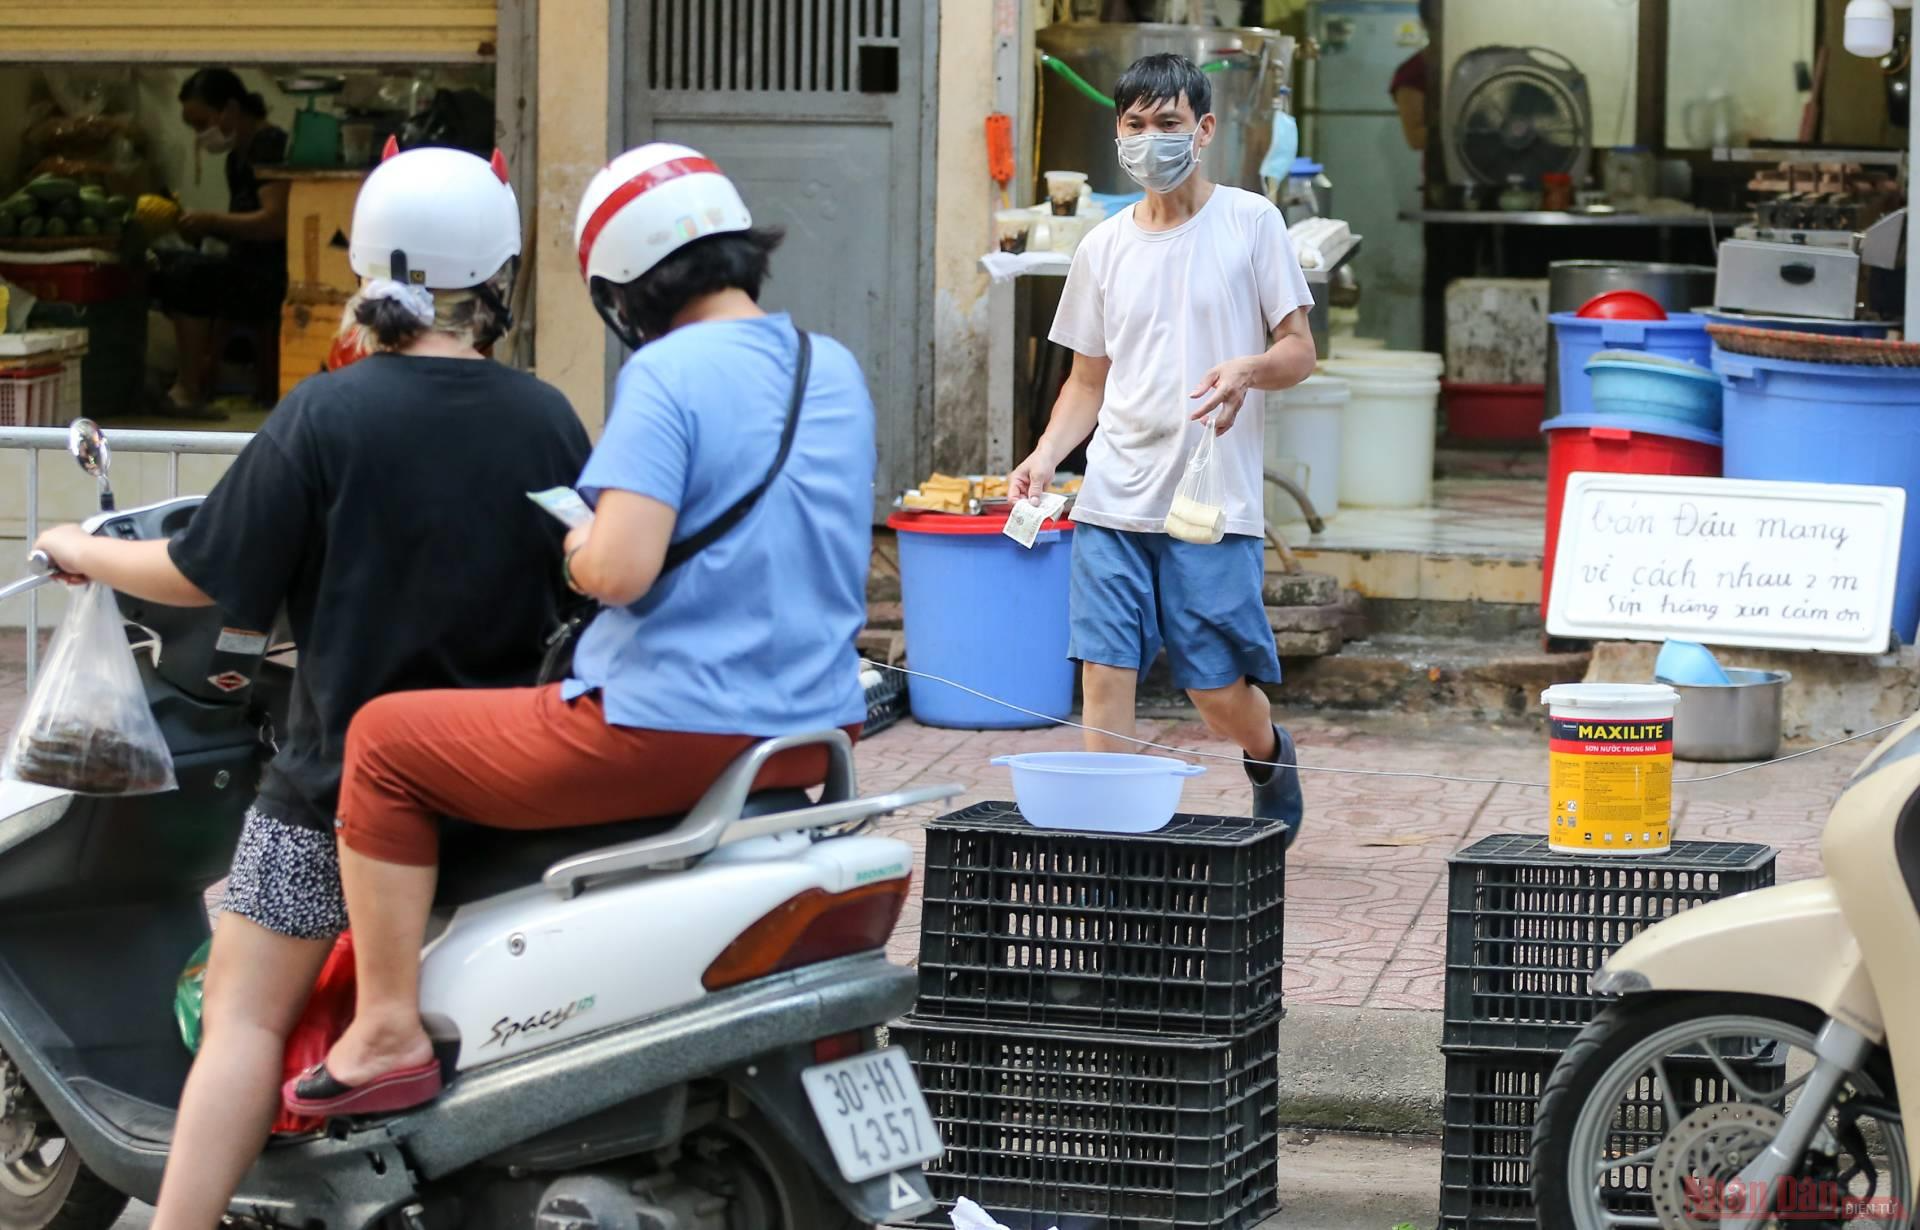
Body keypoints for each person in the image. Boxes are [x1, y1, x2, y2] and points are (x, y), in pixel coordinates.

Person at [33, 146, 591, 1230]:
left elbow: (200, 571)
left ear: (371, 272)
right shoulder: (548, 416)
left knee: (243, 1011)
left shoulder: (325, 416)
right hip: (505, 783)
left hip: (342, 792)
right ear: (499, 279)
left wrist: (80, 548)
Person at [283, 144, 875, 1118]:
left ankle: (385, 1027)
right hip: (811, 729)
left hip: (668, 723)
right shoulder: (833, 365)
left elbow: (621, 567)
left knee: (384, 745)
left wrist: (581, 546)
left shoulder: (668, 373)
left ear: (625, 287)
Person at [1008, 53, 1314, 843]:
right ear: (1119, 134)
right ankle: (1109, 839)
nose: (1152, 141)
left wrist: (1250, 366)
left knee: (1215, 694)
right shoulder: (1102, 248)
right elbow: (1085, 382)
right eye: (1136, 126)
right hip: (1113, 495)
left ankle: (1269, 750)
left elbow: (1298, 351)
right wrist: (1046, 457)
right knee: (1105, 674)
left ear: (1204, 130)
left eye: (1169, 124)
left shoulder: (1251, 223)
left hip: (1211, 502)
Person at [149, 68, 290, 419]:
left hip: (272, 274)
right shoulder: (235, 157)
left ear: (229, 109)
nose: (200, 136)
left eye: (202, 123)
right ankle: (193, 376)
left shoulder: (267, 145)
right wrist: (200, 229)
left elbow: (275, 222)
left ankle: (190, 388)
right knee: (162, 263)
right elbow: (240, 230)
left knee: (188, 274)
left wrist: (211, 221)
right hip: (247, 266)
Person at [1391, 0, 1435, 152]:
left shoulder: (1483, 61)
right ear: (1424, 23)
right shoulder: (1413, 71)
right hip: (1443, 172)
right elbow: (1415, 138)